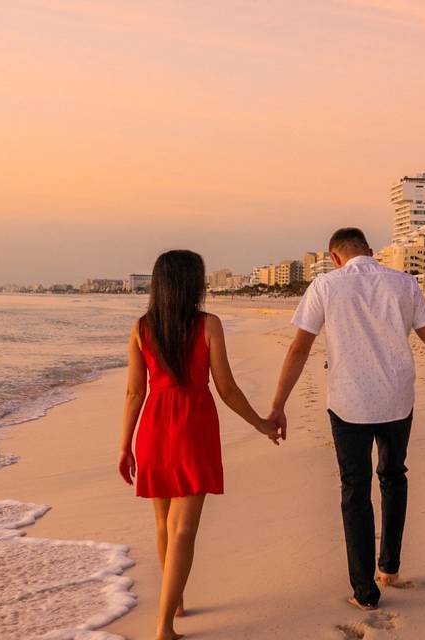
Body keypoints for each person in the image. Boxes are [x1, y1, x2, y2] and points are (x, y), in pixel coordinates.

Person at [268, 227, 425, 610]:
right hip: (397, 398)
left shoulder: (326, 286)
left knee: (355, 490)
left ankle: (365, 591)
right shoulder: (404, 283)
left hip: (349, 401)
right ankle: (390, 567)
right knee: (394, 476)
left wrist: (278, 404)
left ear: (335, 257)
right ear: (370, 251)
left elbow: (299, 348)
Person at [118, 249, 280, 640]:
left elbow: (133, 392)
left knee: (164, 524)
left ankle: (175, 602)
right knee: (184, 529)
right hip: (193, 426)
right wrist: (260, 423)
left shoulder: (142, 328)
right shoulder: (209, 324)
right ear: (193, 284)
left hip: (154, 426)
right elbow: (226, 388)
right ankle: (164, 626)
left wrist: (125, 446)